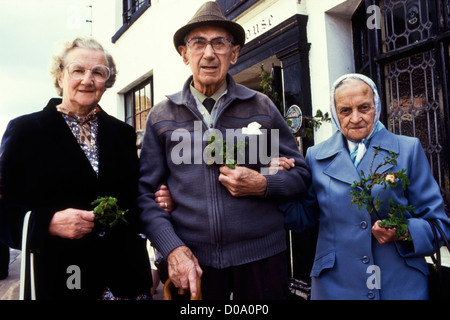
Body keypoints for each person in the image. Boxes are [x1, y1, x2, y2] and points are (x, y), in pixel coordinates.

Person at [138, 1, 311, 300]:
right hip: (192, 262)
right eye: (198, 43)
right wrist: (172, 249)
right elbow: (145, 196)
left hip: (262, 260)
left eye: (219, 43)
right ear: (184, 54)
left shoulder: (261, 107)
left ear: (234, 54)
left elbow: (301, 175)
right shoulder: (162, 116)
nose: (209, 53)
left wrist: (264, 185)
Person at [274, 73, 450, 299]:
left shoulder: (408, 150)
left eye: (364, 107)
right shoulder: (316, 156)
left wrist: (404, 231)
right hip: (336, 285)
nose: (355, 118)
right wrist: (278, 181)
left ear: (376, 106)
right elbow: (303, 218)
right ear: (335, 113)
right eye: (345, 110)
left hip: (398, 283)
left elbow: (439, 226)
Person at [0, 37, 152, 299]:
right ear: (60, 76)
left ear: (108, 81)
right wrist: (47, 222)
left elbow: (136, 201)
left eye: (98, 72)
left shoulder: (123, 133)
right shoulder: (25, 131)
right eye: (78, 70)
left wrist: (159, 201)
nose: (87, 79)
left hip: (124, 280)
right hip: (60, 280)